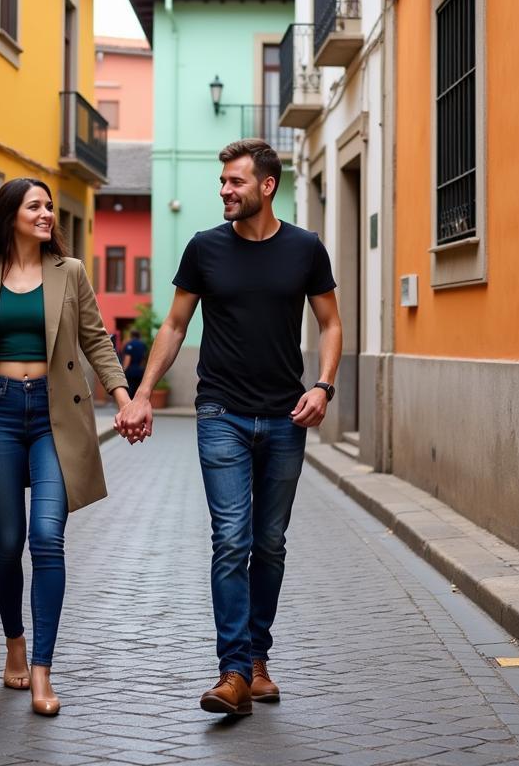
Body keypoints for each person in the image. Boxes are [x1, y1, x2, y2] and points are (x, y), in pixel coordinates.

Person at [115, 138, 342, 716]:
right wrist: (141, 393)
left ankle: (259, 658)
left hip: (286, 415)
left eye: (235, 182)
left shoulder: (305, 249)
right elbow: (171, 326)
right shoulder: (204, 250)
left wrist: (323, 385)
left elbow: (331, 323)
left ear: (266, 186)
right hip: (220, 412)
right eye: (222, 182)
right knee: (231, 539)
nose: (224, 191)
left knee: (269, 544)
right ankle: (234, 672)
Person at [0, 177, 129, 717]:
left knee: (47, 538)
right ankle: (14, 646)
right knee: (7, 543)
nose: (47, 213)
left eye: (50, 206)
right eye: (36, 206)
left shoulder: (68, 272)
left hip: (53, 417)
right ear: (10, 215)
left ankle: (43, 671)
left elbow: (95, 338)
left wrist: (123, 397)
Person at [121, 329, 147, 393]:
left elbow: (127, 359)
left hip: (130, 371)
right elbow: (144, 359)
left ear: (131, 336)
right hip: (139, 371)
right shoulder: (142, 345)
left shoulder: (130, 344)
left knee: (129, 391)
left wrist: (123, 371)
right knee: (137, 390)